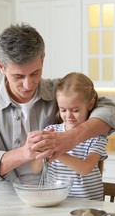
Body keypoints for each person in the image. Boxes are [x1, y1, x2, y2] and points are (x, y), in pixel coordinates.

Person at [0, 23, 115, 191]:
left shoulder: (60, 92)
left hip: (60, 197)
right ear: (1, 66)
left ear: (43, 59)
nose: (28, 84)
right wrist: (25, 153)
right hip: (5, 199)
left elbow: (112, 110)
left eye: (35, 73)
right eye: (18, 76)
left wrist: (71, 138)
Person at [33, 72, 107, 200]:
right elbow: (35, 169)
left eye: (75, 110)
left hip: (87, 204)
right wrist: (40, 151)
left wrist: (56, 150)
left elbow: (85, 168)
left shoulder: (96, 136)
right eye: (63, 110)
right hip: (54, 201)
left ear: (90, 104)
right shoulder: (51, 132)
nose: (68, 116)